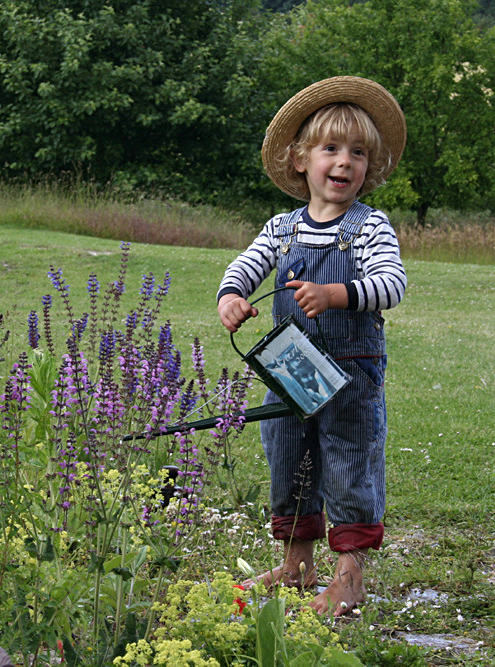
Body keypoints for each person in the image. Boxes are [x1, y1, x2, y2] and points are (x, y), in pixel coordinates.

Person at [217, 76, 407, 616]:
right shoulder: (283, 228)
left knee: (349, 463)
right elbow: (246, 265)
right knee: (290, 458)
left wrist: (339, 294)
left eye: (358, 153)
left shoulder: (371, 227)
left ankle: (350, 577)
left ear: (369, 167)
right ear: (300, 159)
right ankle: (298, 562)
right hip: (291, 370)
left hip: (350, 376)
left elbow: (392, 284)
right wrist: (232, 296)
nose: (345, 162)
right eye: (331, 149)